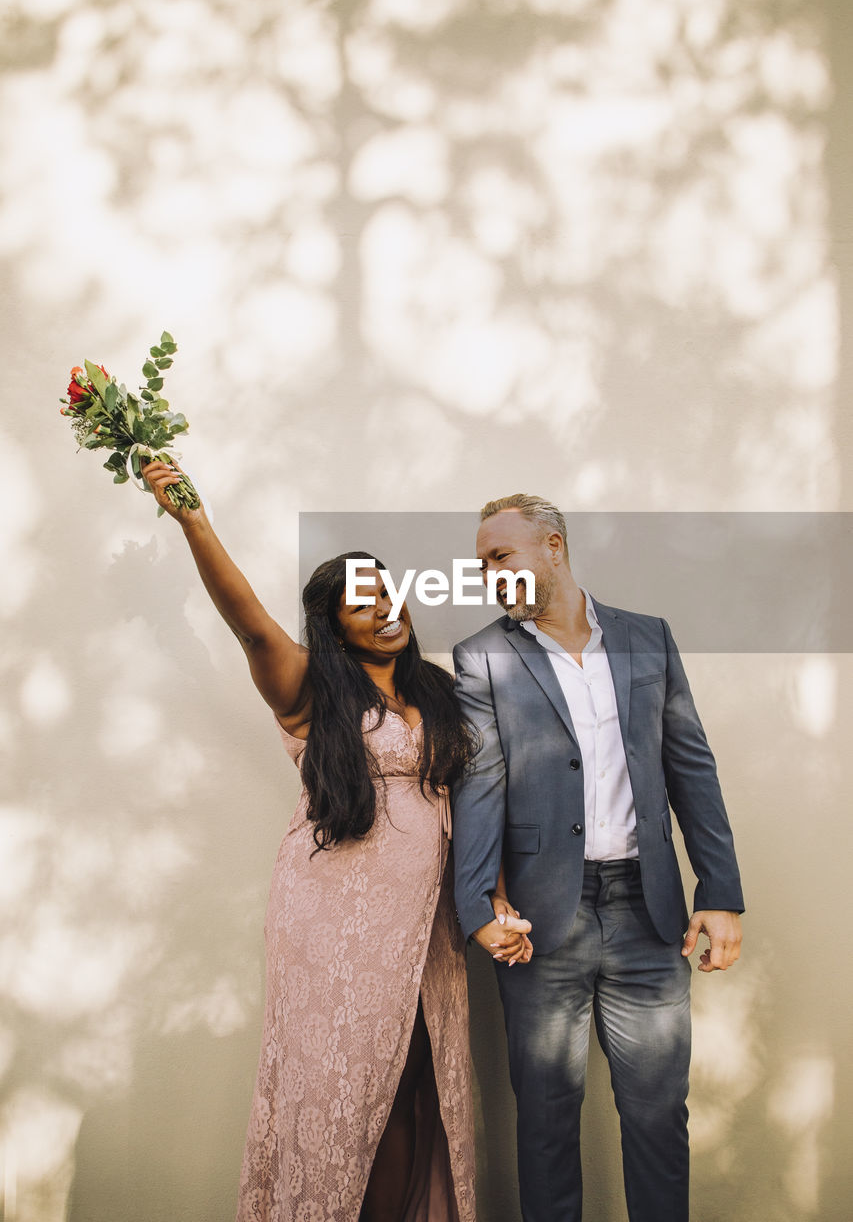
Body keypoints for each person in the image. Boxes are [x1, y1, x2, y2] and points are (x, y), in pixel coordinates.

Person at [141, 462, 530, 1222]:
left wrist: (497, 898)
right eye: (361, 602)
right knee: (353, 1103)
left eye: (386, 592)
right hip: (331, 927)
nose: (383, 608)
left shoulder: (439, 692)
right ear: (334, 622)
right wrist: (192, 520)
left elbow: (475, 807)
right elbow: (249, 618)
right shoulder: (310, 689)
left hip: (426, 928)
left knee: (417, 1088)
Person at [451, 494, 744, 1222]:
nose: (489, 574)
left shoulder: (647, 639)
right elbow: (478, 789)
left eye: (499, 556)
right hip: (541, 923)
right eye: (481, 564)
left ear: (552, 547)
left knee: (655, 1117)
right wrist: (477, 904)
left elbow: (691, 767)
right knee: (546, 1121)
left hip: (649, 917)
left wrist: (721, 892)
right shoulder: (482, 657)